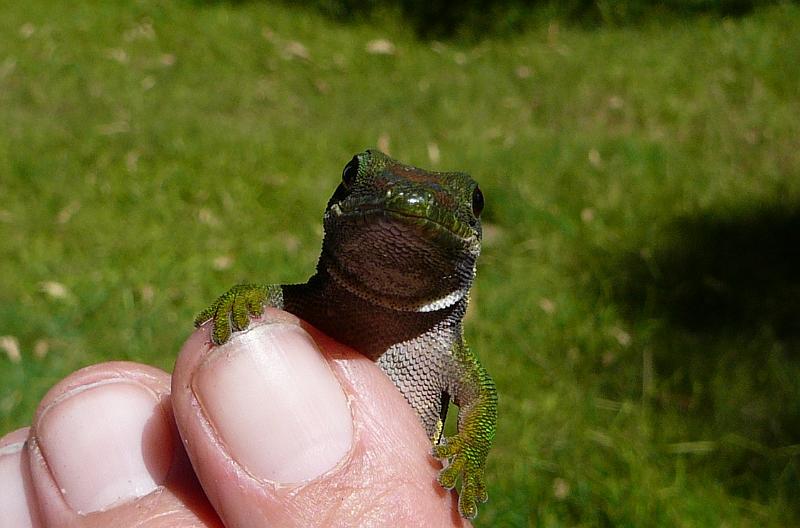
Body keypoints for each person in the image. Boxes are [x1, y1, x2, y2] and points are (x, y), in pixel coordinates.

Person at [0, 309, 470, 527]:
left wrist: (468, 450)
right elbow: (276, 297)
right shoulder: (325, 294)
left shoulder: (446, 352)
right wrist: (247, 300)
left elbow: (479, 403)